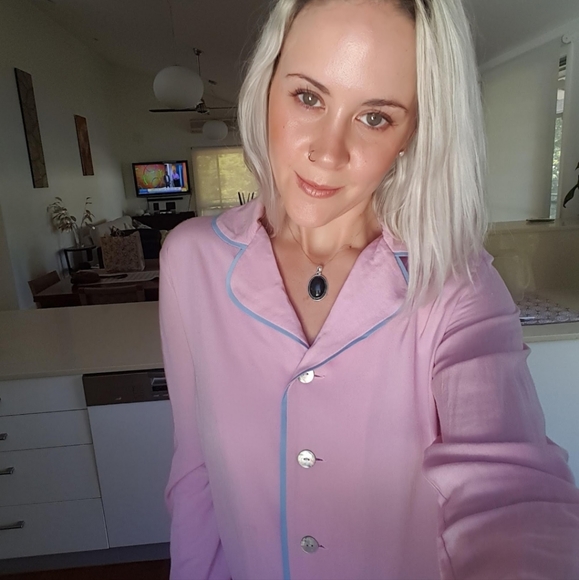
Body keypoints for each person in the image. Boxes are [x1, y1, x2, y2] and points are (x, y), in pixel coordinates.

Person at [159, 0, 579, 578]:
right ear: (266, 86)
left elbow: (510, 490)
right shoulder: (190, 259)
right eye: (308, 97)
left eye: (376, 117)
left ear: (412, 131)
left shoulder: (455, 283)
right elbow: (196, 473)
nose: (327, 152)